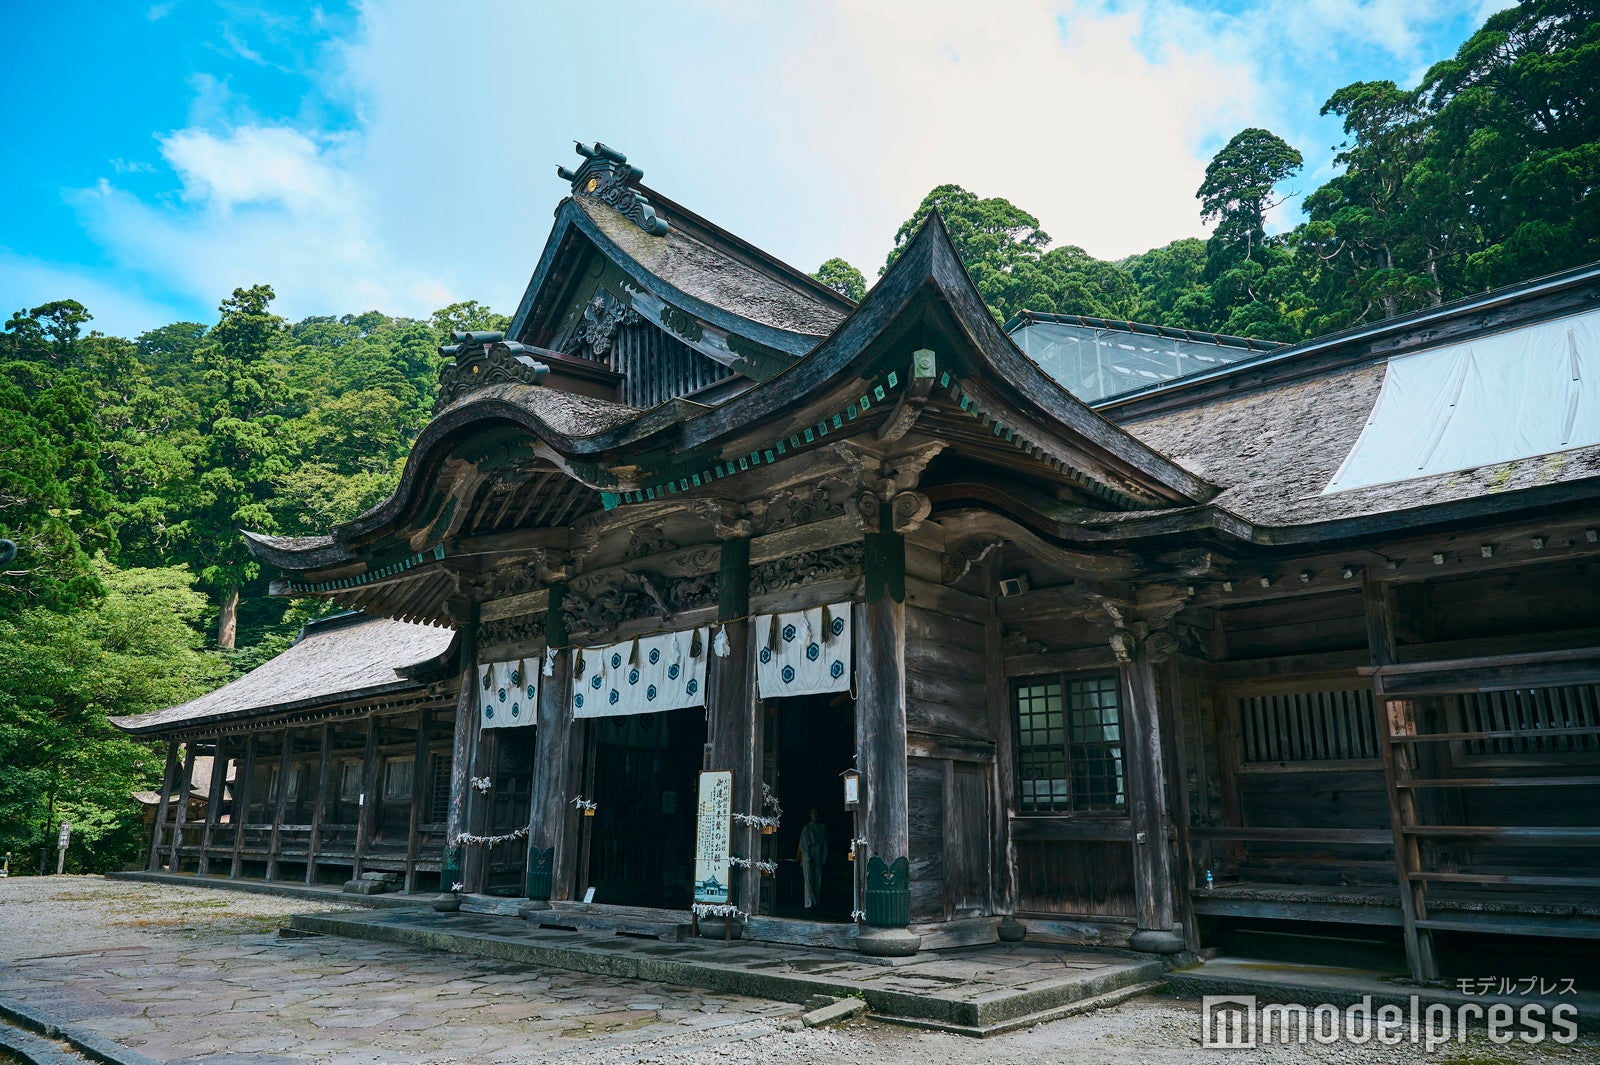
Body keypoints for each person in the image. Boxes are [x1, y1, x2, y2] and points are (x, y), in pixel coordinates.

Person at [799, 808, 828, 909]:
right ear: (810, 815)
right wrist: (807, 857)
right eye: (813, 813)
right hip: (809, 854)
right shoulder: (807, 828)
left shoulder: (822, 827)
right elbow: (803, 844)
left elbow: (824, 843)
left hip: (818, 854)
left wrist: (824, 857)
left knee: (817, 878)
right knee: (808, 879)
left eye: (816, 813)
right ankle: (809, 902)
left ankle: (816, 901)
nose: (815, 815)